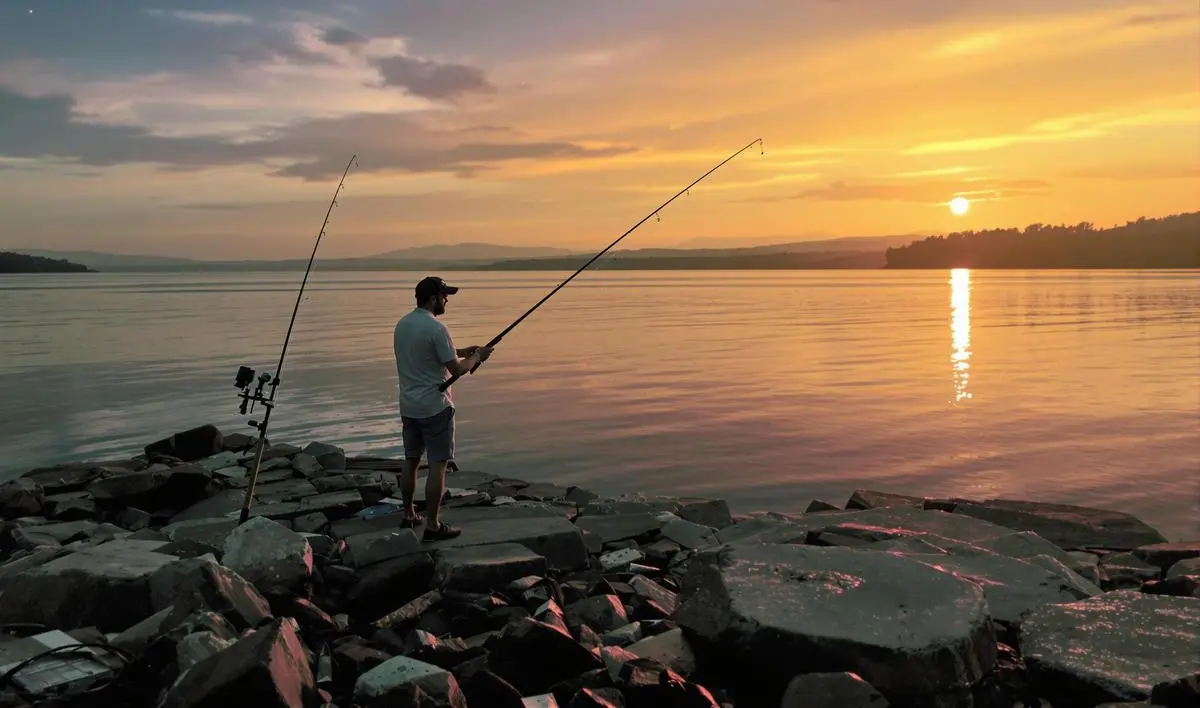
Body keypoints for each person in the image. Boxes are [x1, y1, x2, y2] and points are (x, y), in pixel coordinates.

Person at [393, 276, 492, 541]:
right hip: (435, 407)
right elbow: (457, 370)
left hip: (409, 406)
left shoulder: (403, 325)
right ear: (434, 298)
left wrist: (461, 350)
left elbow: (427, 353)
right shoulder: (437, 328)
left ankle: (408, 515)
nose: (446, 300)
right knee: (438, 465)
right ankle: (434, 525)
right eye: (444, 296)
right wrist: (477, 357)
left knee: (411, 461)